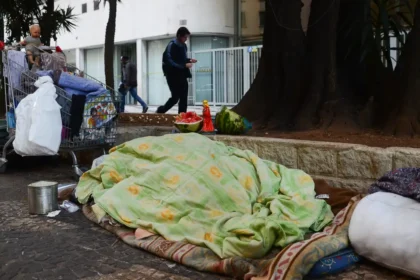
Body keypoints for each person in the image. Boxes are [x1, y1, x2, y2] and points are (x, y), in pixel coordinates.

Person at [157, 27, 197, 114]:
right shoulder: (172, 45)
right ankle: (161, 111)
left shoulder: (184, 46)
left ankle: (182, 117)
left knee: (183, 97)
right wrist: (184, 65)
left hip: (182, 75)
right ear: (179, 36)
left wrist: (189, 60)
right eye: (185, 37)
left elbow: (181, 59)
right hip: (172, 76)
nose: (186, 39)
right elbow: (169, 61)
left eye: (187, 37)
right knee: (175, 97)